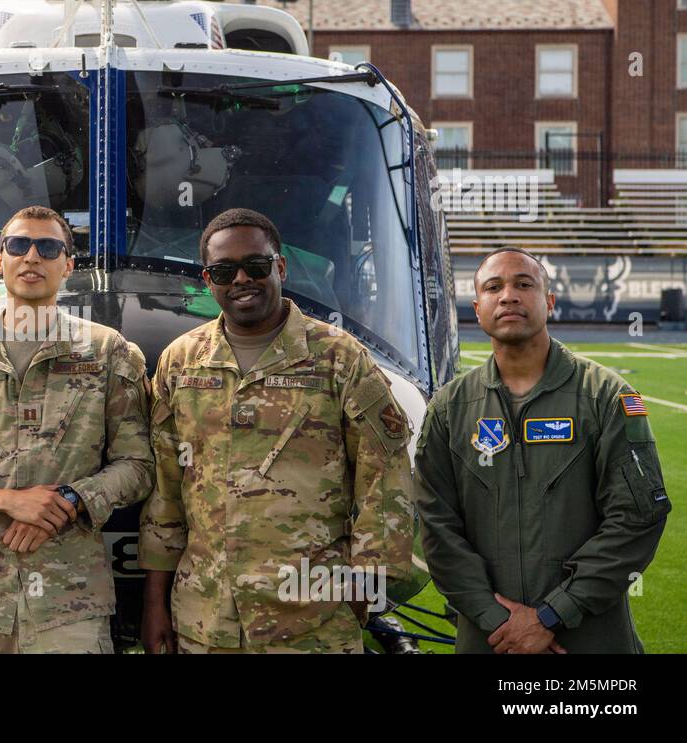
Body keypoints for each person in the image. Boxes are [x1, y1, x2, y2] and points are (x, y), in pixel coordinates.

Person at [139, 208, 414, 654]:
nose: (241, 279)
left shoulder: (339, 357)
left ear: (280, 267)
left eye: (257, 265)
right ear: (208, 280)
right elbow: (165, 492)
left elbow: (384, 474)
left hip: (311, 621)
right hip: (205, 618)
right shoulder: (181, 361)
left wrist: (366, 585)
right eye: (224, 271)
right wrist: (155, 603)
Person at [0, 205, 154, 653]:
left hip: (69, 602)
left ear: (68, 265)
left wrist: (69, 502)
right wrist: (7, 501)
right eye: (18, 245)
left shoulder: (108, 353)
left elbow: (137, 466)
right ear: (1, 260)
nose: (32, 256)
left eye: (49, 247)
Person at [414, 247, 670, 654]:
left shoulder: (605, 395)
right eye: (494, 287)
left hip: (589, 637)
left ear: (548, 301)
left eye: (524, 284)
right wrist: (500, 621)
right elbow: (437, 527)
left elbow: (637, 517)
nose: (509, 296)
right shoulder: (448, 409)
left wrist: (554, 614)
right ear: (477, 308)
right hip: (490, 639)